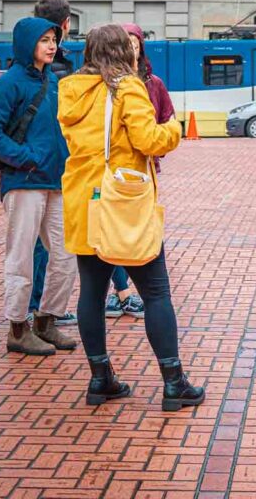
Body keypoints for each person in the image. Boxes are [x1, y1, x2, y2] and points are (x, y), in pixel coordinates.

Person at [58, 24, 204, 410]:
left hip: (83, 200)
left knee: (91, 292)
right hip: (121, 202)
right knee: (156, 293)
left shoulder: (71, 89)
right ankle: (174, 383)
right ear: (122, 51)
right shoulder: (127, 87)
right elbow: (148, 140)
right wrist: (173, 128)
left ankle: (100, 378)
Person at [0, 18, 78, 355]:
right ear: (27, 44)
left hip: (55, 181)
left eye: (54, 39)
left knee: (66, 255)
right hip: (24, 181)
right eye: (44, 40)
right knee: (20, 256)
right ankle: (18, 328)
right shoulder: (10, 83)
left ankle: (46, 321)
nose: (52, 46)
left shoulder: (51, 81)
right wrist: (27, 158)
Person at [103, 23, 175, 320]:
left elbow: (165, 116)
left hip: (146, 169)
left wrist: (160, 135)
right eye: (125, 44)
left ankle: (128, 291)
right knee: (116, 234)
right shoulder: (109, 85)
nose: (131, 48)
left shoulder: (153, 83)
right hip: (117, 175)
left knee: (140, 232)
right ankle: (122, 293)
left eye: (135, 43)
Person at [28, 0, 77, 327]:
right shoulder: (58, 68)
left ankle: (38, 307)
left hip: (39, 167)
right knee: (49, 245)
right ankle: (41, 308)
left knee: (40, 244)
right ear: (66, 24)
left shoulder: (30, 64)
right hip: (49, 168)